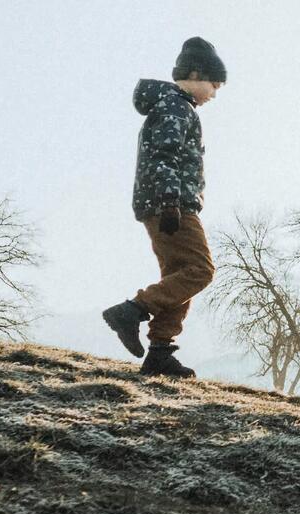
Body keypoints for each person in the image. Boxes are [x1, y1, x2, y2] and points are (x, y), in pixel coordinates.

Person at [102, 37, 226, 378]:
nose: (215, 93)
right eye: (214, 84)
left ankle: (159, 353)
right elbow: (163, 157)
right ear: (196, 73)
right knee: (200, 270)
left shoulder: (173, 106)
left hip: (162, 203)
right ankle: (132, 310)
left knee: (179, 276)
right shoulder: (175, 106)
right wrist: (172, 201)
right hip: (170, 205)